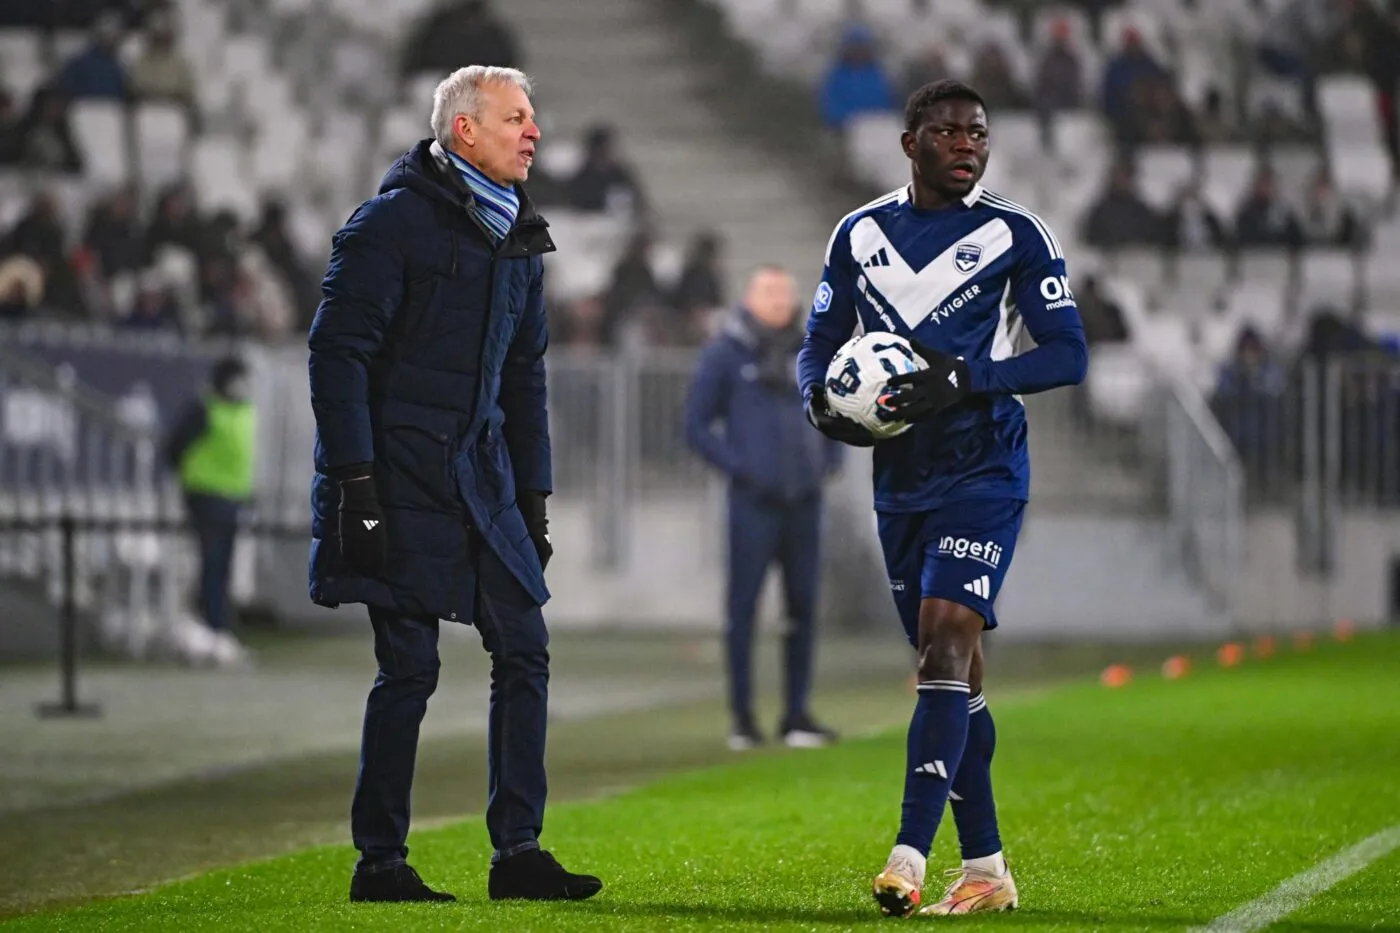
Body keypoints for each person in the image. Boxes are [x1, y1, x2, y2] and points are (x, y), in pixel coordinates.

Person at [306, 65, 602, 905]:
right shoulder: (390, 223)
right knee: (409, 666)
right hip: (394, 478)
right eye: (516, 118)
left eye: (533, 118)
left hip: (480, 479)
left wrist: (534, 496)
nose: (534, 131)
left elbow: (525, 379)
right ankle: (381, 865)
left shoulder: (518, 238)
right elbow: (337, 355)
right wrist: (355, 484)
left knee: (526, 647)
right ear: (464, 131)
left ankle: (518, 852)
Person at [797, 79, 1088, 917]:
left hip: (986, 468)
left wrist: (966, 377)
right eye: (950, 132)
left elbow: (1066, 354)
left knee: (945, 646)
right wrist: (817, 395)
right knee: (954, 681)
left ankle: (910, 855)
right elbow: (819, 338)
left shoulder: (1014, 234)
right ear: (910, 142)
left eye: (979, 134)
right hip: (901, 480)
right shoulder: (860, 233)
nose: (968, 145)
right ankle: (990, 868)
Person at [684, 266, 842, 752]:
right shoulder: (725, 355)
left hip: (804, 504)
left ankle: (796, 714)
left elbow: (834, 410)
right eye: (770, 291)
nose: (780, 300)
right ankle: (743, 718)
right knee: (743, 610)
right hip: (753, 505)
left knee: (802, 609)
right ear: (749, 298)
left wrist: (827, 462)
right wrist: (741, 469)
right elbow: (695, 426)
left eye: (786, 293)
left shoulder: (809, 352)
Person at [163, 355, 255, 665]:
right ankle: (213, 631)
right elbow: (173, 448)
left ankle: (218, 630)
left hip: (232, 498)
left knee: (223, 567)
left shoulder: (242, 411)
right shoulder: (204, 409)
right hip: (206, 496)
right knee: (212, 565)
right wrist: (193, 481)